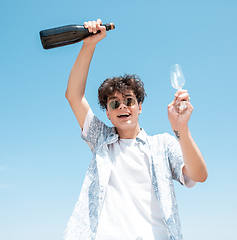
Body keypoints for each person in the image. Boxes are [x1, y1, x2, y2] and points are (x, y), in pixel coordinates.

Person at [63, 19, 208, 240]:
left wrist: (182, 129)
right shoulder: (101, 140)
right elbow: (74, 96)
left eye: (129, 101)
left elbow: (198, 175)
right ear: (108, 113)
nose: (122, 106)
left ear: (139, 107)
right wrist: (89, 44)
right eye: (114, 103)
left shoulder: (162, 145)